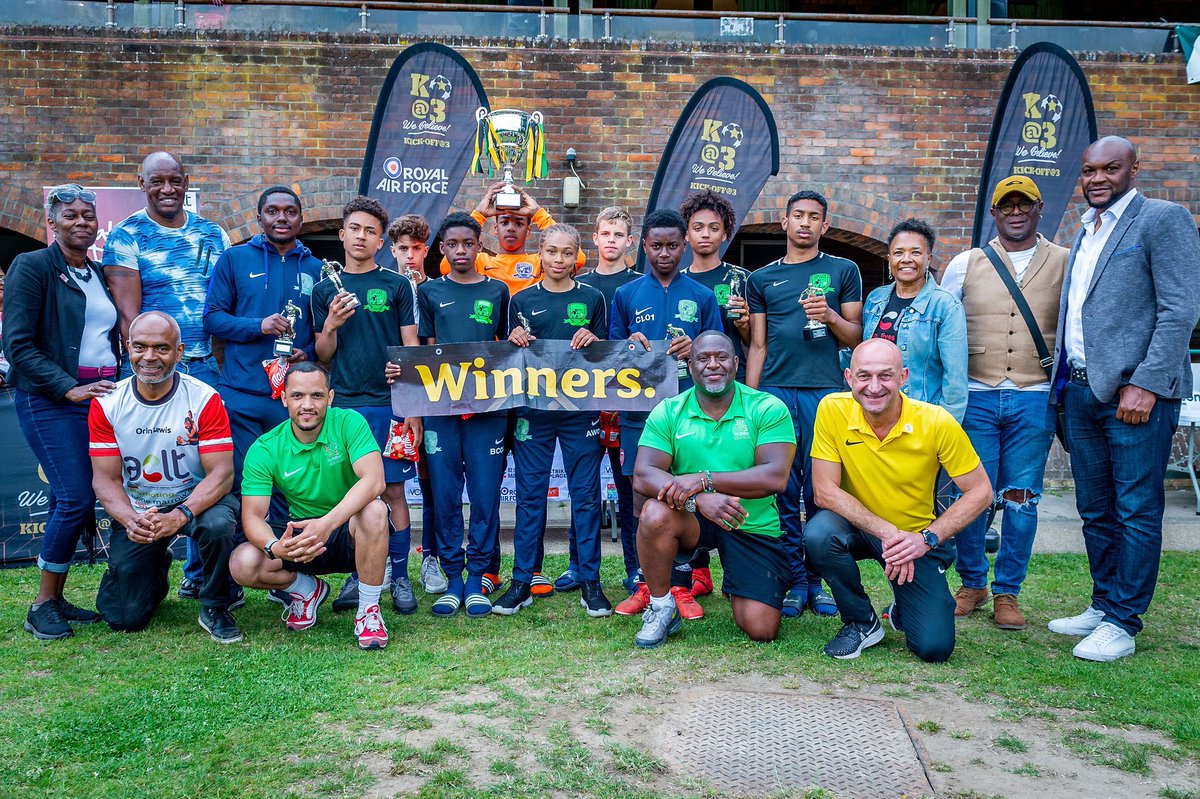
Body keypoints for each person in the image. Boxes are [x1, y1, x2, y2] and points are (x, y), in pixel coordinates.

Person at [1048, 136, 1200, 662]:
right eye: (1089, 170)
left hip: (1136, 395)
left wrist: (1148, 383)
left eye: (1110, 169)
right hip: (1082, 391)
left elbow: (1180, 311)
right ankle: (1102, 603)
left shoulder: (1162, 219)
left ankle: (1123, 621)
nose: (1097, 179)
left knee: (1136, 508)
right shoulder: (1084, 231)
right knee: (1095, 508)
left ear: (1135, 168)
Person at [806, 339, 992, 662]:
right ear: (849, 377)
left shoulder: (936, 422)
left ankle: (907, 606)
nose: (874, 387)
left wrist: (926, 539)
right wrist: (886, 531)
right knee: (819, 534)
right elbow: (824, 491)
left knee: (934, 648)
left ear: (903, 377)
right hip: (862, 528)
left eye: (886, 376)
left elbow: (981, 491)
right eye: (864, 376)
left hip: (913, 539)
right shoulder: (831, 409)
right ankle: (861, 621)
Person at [102, 151, 232, 602]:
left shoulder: (212, 233)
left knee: (201, 468)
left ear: (186, 181)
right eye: (157, 181)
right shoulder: (126, 235)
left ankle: (199, 572)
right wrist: (150, 364)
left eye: (175, 180)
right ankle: (148, 550)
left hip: (206, 367)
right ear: (142, 183)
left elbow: (221, 304)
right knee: (160, 465)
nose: (167, 189)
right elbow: (128, 315)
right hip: (154, 369)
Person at [939, 175, 1068, 630]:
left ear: (1039, 209)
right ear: (993, 213)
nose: (1016, 212)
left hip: (1034, 397)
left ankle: (1007, 592)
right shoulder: (966, 262)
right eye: (1006, 205)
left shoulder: (1066, 262)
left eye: (1024, 204)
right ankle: (972, 582)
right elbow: (943, 323)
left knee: (1022, 499)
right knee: (971, 495)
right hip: (975, 394)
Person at [3, 184, 118, 640]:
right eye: (70, 215)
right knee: (75, 496)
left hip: (98, 399)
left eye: (88, 216)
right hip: (50, 398)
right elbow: (18, 345)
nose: (82, 223)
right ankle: (42, 604)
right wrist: (69, 387)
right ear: (52, 222)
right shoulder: (31, 267)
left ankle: (59, 595)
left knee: (64, 501)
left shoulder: (97, 273)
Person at [631, 331, 796, 648]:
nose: (713, 365)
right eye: (703, 358)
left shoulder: (767, 408)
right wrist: (699, 498)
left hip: (751, 522)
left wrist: (705, 479)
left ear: (735, 363)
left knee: (761, 628)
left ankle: (741, 581)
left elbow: (775, 477)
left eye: (721, 357)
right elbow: (643, 475)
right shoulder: (669, 410)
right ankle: (662, 606)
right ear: (690, 366)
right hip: (693, 517)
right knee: (653, 513)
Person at [746, 190, 864, 618]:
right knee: (782, 489)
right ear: (785, 221)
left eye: (814, 217)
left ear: (824, 225)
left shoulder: (843, 270)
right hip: (775, 392)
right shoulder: (760, 279)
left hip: (827, 394)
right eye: (798, 215)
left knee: (821, 490)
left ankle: (820, 582)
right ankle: (794, 581)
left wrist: (830, 316)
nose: (805, 223)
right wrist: (752, 402)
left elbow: (857, 337)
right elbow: (757, 345)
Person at [90, 312, 240, 642]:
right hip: (139, 509)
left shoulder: (204, 398)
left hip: (195, 502)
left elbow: (222, 474)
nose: (149, 357)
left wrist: (180, 515)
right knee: (123, 617)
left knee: (218, 524)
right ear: (127, 347)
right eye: (140, 347)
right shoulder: (108, 402)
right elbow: (105, 480)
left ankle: (215, 604)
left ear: (179, 351)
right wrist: (131, 520)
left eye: (161, 348)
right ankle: (157, 564)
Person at [491, 223, 612, 618]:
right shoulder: (521, 300)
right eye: (552, 251)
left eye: (566, 252)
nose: (558, 259)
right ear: (539, 252)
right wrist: (514, 340)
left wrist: (594, 341)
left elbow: (607, 356)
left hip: (580, 413)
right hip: (534, 412)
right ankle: (522, 581)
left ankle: (590, 582)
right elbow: (510, 355)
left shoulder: (593, 298)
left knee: (586, 496)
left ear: (578, 256)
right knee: (529, 497)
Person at [228, 362, 391, 649]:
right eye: (298, 396)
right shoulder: (265, 447)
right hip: (302, 538)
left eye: (316, 396)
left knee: (375, 510)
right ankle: (306, 591)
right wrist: (274, 548)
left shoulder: (348, 422)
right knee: (242, 562)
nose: (307, 405)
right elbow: (253, 517)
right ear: (284, 399)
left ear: (329, 398)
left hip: (347, 530)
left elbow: (375, 481)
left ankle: (368, 610)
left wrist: (327, 523)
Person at [610, 208, 722, 621]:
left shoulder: (702, 296)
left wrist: (696, 349)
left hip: (689, 413)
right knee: (639, 498)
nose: (664, 253)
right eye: (656, 246)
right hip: (639, 412)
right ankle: (643, 582)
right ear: (643, 247)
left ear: (685, 245)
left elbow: (719, 355)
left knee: (685, 496)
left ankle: (682, 583)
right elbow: (609, 358)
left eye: (673, 245)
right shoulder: (626, 294)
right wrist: (628, 348)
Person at [312, 196, 421, 615]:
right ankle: (361, 574)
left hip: (388, 405)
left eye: (370, 231)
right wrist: (331, 324)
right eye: (354, 228)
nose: (361, 236)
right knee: (353, 493)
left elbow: (411, 347)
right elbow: (322, 356)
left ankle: (400, 576)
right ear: (342, 234)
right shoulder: (325, 290)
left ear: (381, 242)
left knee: (393, 490)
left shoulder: (397, 285)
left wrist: (412, 407)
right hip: (342, 408)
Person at [415, 212, 510, 617]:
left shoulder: (499, 291)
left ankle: (477, 581)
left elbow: (509, 349)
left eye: (467, 244)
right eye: (452, 244)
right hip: (442, 408)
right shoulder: (430, 292)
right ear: (442, 249)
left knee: (486, 497)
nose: (460, 251)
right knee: (447, 494)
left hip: (489, 409)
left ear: (479, 245)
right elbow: (424, 352)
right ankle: (453, 579)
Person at [203, 187, 323, 484]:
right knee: (243, 481)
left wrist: (306, 351)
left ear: (300, 219)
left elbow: (324, 329)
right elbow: (212, 319)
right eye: (273, 211)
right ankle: (246, 534)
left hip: (291, 398)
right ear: (260, 218)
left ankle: (286, 532)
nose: (281, 218)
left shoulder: (316, 268)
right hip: (241, 392)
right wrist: (259, 326)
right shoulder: (234, 258)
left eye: (290, 212)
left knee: (291, 482)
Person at [678, 189, 754, 600]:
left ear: (726, 233)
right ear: (686, 234)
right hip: (685, 392)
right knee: (693, 468)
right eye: (697, 227)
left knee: (730, 470)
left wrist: (742, 325)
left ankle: (737, 563)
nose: (705, 234)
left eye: (714, 228)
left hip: (730, 391)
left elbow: (755, 339)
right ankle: (698, 566)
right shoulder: (675, 276)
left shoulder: (740, 279)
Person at [562, 206, 639, 595]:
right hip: (585, 403)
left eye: (618, 234)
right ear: (594, 239)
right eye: (605, 233)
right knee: (584, 487)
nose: (611, 240)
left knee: (630, 489)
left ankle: (636, 567)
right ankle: (578, 564)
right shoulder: (581, 286)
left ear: (630, 241)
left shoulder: (640, 284)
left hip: (627, 403)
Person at [387, 213, 448, 596]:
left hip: (434, 400)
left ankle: (432, 557)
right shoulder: (386, 288)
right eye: (403, 249)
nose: (410, 256)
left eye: (416, 248)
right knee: (386, 486)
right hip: (389, 400)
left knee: (432, 484)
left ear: (427, 250)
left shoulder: (438, 291)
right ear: (391, 250)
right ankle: (388, 564)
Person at [863, 218, 967, 421]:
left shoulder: (946, 305)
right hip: (875, 415)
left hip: (922, 417)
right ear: (889, 258)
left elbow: (955, 380)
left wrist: (947, 430)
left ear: (929, 258)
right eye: (899, 252)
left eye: (916, 252)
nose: (906, 259)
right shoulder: (875, 299)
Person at [437, 182, 584, 294]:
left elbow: (579, 259)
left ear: (528, 231)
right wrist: (479, 214)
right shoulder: (481, 261)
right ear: (495, 229)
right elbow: (446, 266)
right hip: (494, 334)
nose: (511, 228)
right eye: (504, 222)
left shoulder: (540, 262)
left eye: (519, 223)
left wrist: (539, 214)